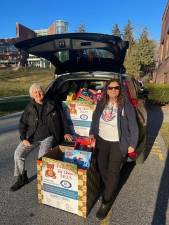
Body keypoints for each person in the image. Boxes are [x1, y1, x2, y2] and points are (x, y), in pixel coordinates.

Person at [89, 79, 139, 220]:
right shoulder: (101, 102)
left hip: (118, 143)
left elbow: (133, 126)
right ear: (106, 89)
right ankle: (110, 187)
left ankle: (106, 201)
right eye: (110, 88)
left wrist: (132, 144)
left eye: (116, 88)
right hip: (102, 141)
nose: (113, 90)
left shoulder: (126, 105)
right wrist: (92, 134)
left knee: (113, 171)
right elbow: (94, 119)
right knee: (101, 168)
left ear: (120, 89)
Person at [10, 83, 72, 192]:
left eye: (40, 91)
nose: (38, 94)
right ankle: (22, 178)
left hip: (48, 136)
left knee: (41, 157)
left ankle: (45, 180)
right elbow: (22, 123)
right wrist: (23, 138)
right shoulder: (29, 107)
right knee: (18, 154)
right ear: (32, 95)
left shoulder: (52, 104)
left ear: (43, 92)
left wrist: (66, 132)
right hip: (32, 137)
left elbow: (63, 119)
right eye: (35, 92)